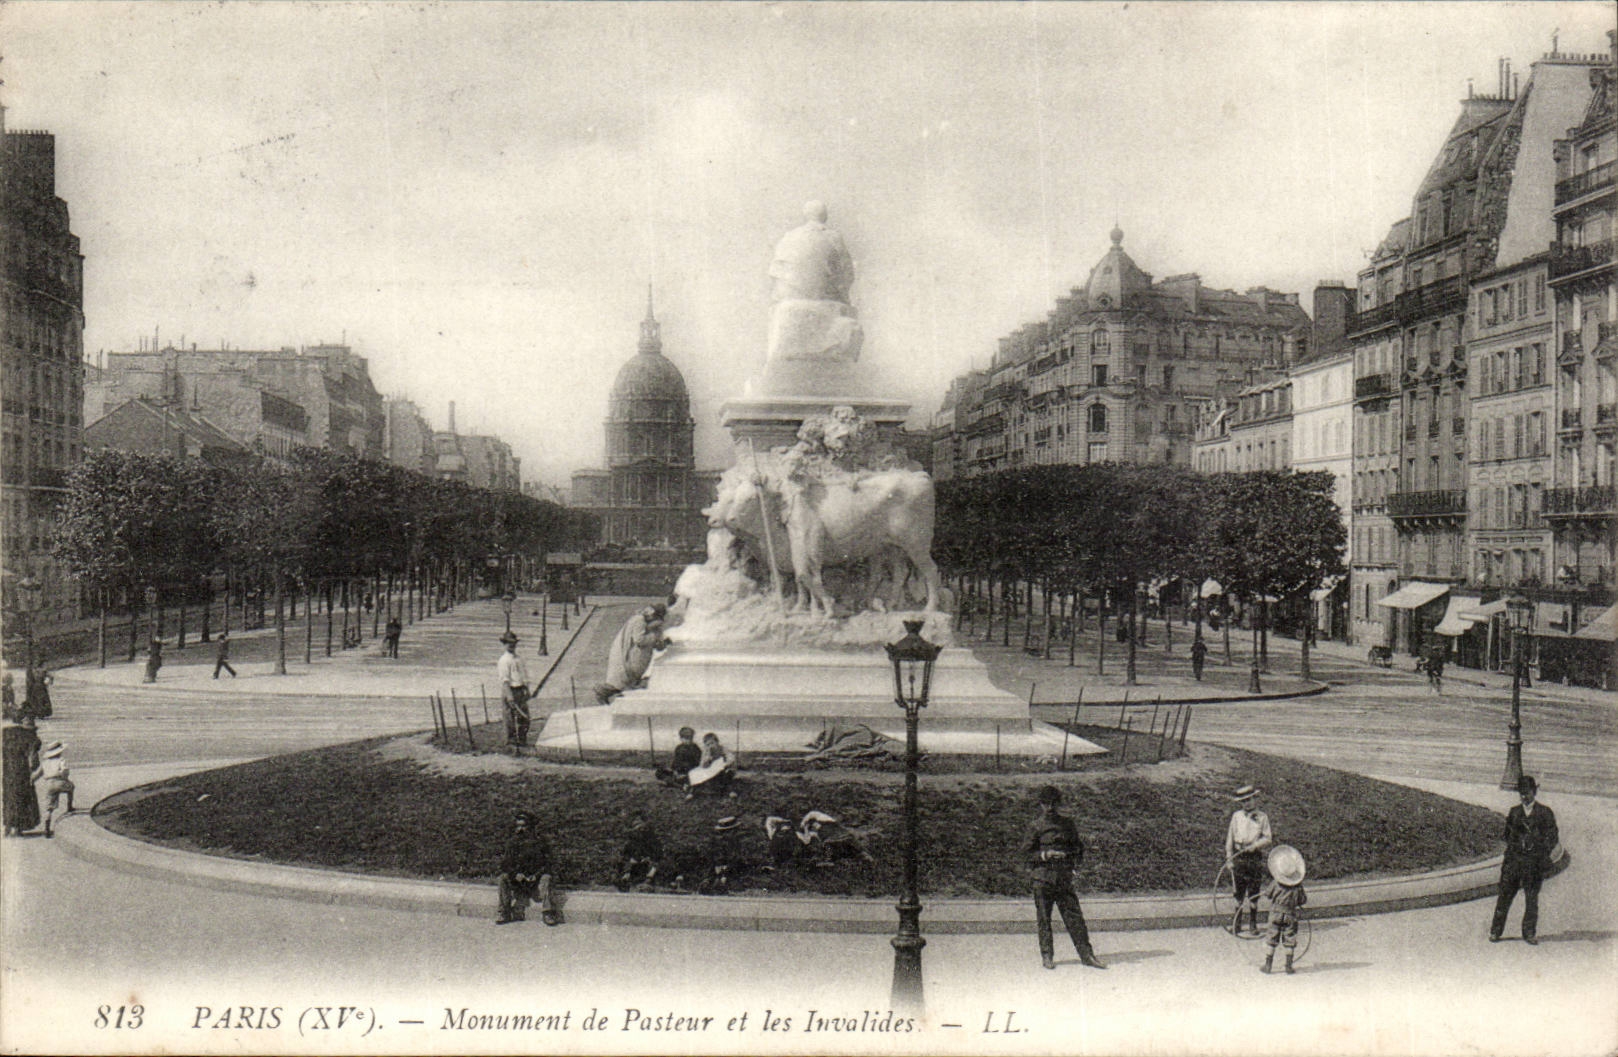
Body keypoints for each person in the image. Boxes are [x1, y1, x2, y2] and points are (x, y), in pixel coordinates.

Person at [1024, 785, 1105, 970]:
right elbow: (1026, 853)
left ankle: (1087, 955)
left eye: (1054, 803)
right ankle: (1047, 956)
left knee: (1075, 919)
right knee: (1044, 919)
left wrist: (1073, 866)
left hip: (1063, 879)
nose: (1050, 807)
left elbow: (1078, 848)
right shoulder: (1035, 826)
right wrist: (1045, 855)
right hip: (1043, 879)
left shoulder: (1068, 824)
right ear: (1041, 805)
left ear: (1059, 804)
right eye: (1046, 804)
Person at [1490, 774, 1559, 945]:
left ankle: (1529, 933)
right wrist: (1517, 843)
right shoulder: (1514, 812)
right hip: (1514, 862)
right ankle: (1495, 931)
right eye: (1521, 793)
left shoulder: (1544, 813)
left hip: (1533, 863)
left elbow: (1552, 837)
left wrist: (1538, 849)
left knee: (1531, 899)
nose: (1524, 796)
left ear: (1534, 792)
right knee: (1504, 897)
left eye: (1527, 792)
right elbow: (1507, 835)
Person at [1225, 784, 1273, 937]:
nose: (1247, 803)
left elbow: (1268, 838)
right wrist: (1229, 856)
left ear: (1255, 799)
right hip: (1239, 856)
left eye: (1249, 800)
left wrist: (1255, 846)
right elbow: (1230, 837)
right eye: (1243, 801)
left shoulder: (1262, 817)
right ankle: (1237, 924)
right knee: (1238, 892)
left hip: (1253, 857)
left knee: (1253, 891)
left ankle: (1253, 924)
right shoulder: (1236, 816)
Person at [496, 811, 560, 925]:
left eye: (524, 826)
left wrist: (536, 875)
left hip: (535, 881)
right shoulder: (512, 843)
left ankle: (547, 913)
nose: (520, 829)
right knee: (502, 878)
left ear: (531, 827)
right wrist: (515, 874)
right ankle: (504, 912)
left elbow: (548, 863)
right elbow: (505, 864)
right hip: (518, 881)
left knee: (546, 878)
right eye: (518, 826)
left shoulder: (540, 842)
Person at [596, 604, 668, 704]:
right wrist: (654, 636)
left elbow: (658, 644)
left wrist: (663, 642)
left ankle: (613, 697)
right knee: (622, 680)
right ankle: (603, 692)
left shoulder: (654, 626)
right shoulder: (639, 620)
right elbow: (639, 639)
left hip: (640, 656)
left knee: (628, 680)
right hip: (629, 655)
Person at [1260, 844, 1308, 974]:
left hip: (1276, 913)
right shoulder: (1298, 887)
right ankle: (1288, 966)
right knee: (1290, 938)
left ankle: (1268, 965)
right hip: (1290, 914)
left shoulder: (1275, 884)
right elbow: (1303, 900)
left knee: (1272, 938)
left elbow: (1268, 894)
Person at [2, 713, 42, 836]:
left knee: (9, 796)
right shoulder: (32, 738)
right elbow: (33, 761)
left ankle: (8, 826)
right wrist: (34, 771)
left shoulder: (7, 733)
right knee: (22, 797)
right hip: (21, 770)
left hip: (7, 770)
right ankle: (18, 828)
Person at [496, 632, 533, 747]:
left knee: (524, 717)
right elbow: (504, 680)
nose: (512, 645)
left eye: (513, 643)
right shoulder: (504, 660)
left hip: (520, 690)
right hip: (510, 690)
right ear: (504, 644)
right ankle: (511, 742)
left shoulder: (519, 659)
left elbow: (524, 675)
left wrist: (527, 689)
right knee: (509, 718)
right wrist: (509, 696)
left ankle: (522, 740)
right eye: (509, 643)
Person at [32, 739, 74, 838]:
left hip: (49, 784)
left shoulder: (44, 763)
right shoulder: (61, 760)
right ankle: (69, 806)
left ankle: (47, 827)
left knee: (49, 807)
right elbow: (65, 771)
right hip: (59, 781)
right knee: (71, 787)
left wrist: (31, 780)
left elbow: (37, 774)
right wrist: (65, 777)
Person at [616, 815, 662, 890]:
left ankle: (648, 881)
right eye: (639, 829)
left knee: (654, 866)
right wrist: (631, 860)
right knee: (626, 864)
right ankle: (625, 879)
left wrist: (647, 859)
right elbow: (624, 855)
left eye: (644, 829)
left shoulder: (652, 842)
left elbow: (657, 856)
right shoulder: (630, 843)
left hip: (646, 864)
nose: (642, 831)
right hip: (633, 865)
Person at [685, 731, 735, 799]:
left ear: (717, 742)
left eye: (712, 743)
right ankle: (692, 792)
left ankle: (731, 791)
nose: (711, 746)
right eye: (708, 745)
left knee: (727, 774)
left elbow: (731, 757)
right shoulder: (706, 751)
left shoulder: (722, 748)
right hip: (710, 769)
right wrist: (708, 758)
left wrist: (727, 762)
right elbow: (702, 764)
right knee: (694, 773)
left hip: (722, 768)